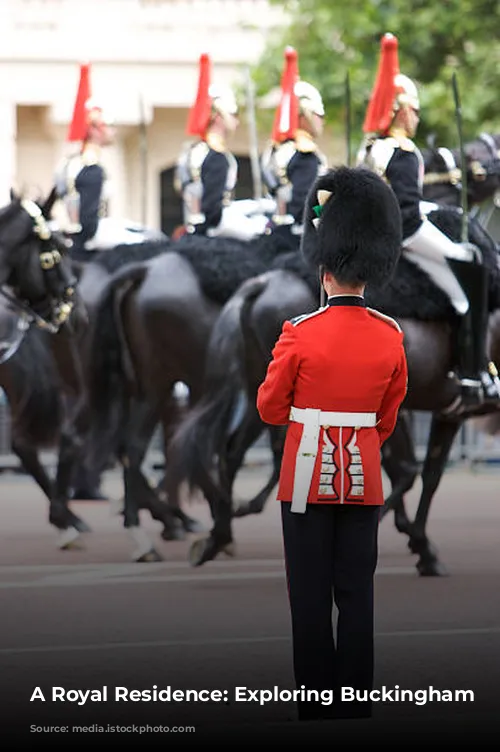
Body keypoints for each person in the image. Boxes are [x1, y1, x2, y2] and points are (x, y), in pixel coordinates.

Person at [256, 165, 408, 721]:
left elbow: (270, 408)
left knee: (310, 601)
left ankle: (316, 703)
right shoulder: (391, 335)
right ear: (371, 268)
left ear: (324, 269)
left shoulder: (299, 332)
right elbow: (388, 417)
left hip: (303, 481)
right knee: (358, 596)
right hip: (365, 481)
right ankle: (356, 700)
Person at [357, 32, 500, 409]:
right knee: (467, 285)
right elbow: (407, 218)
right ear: (401, 110)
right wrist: (453, 248)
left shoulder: (371, 148)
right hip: (403, 240)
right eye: (414, 109)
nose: (417, 116)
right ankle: (473, 375)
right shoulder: (404, 152)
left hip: (373, 240)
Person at [174, 53, 271, 241]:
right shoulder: (216, 156)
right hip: (215, 228)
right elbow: (214, 211)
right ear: (218, 116)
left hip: (192, 225)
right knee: (264, 234)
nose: (236, 119)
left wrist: (252, 205)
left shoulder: (191, 151)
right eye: (233, 113)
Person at [261, 46, 328, 245]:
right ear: (306, 113)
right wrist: (325, 217)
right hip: (298, 235)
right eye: (319, 115)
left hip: (275, 228)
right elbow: (305, 203)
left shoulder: (276, 149)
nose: (322, 121)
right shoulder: (304, 153)